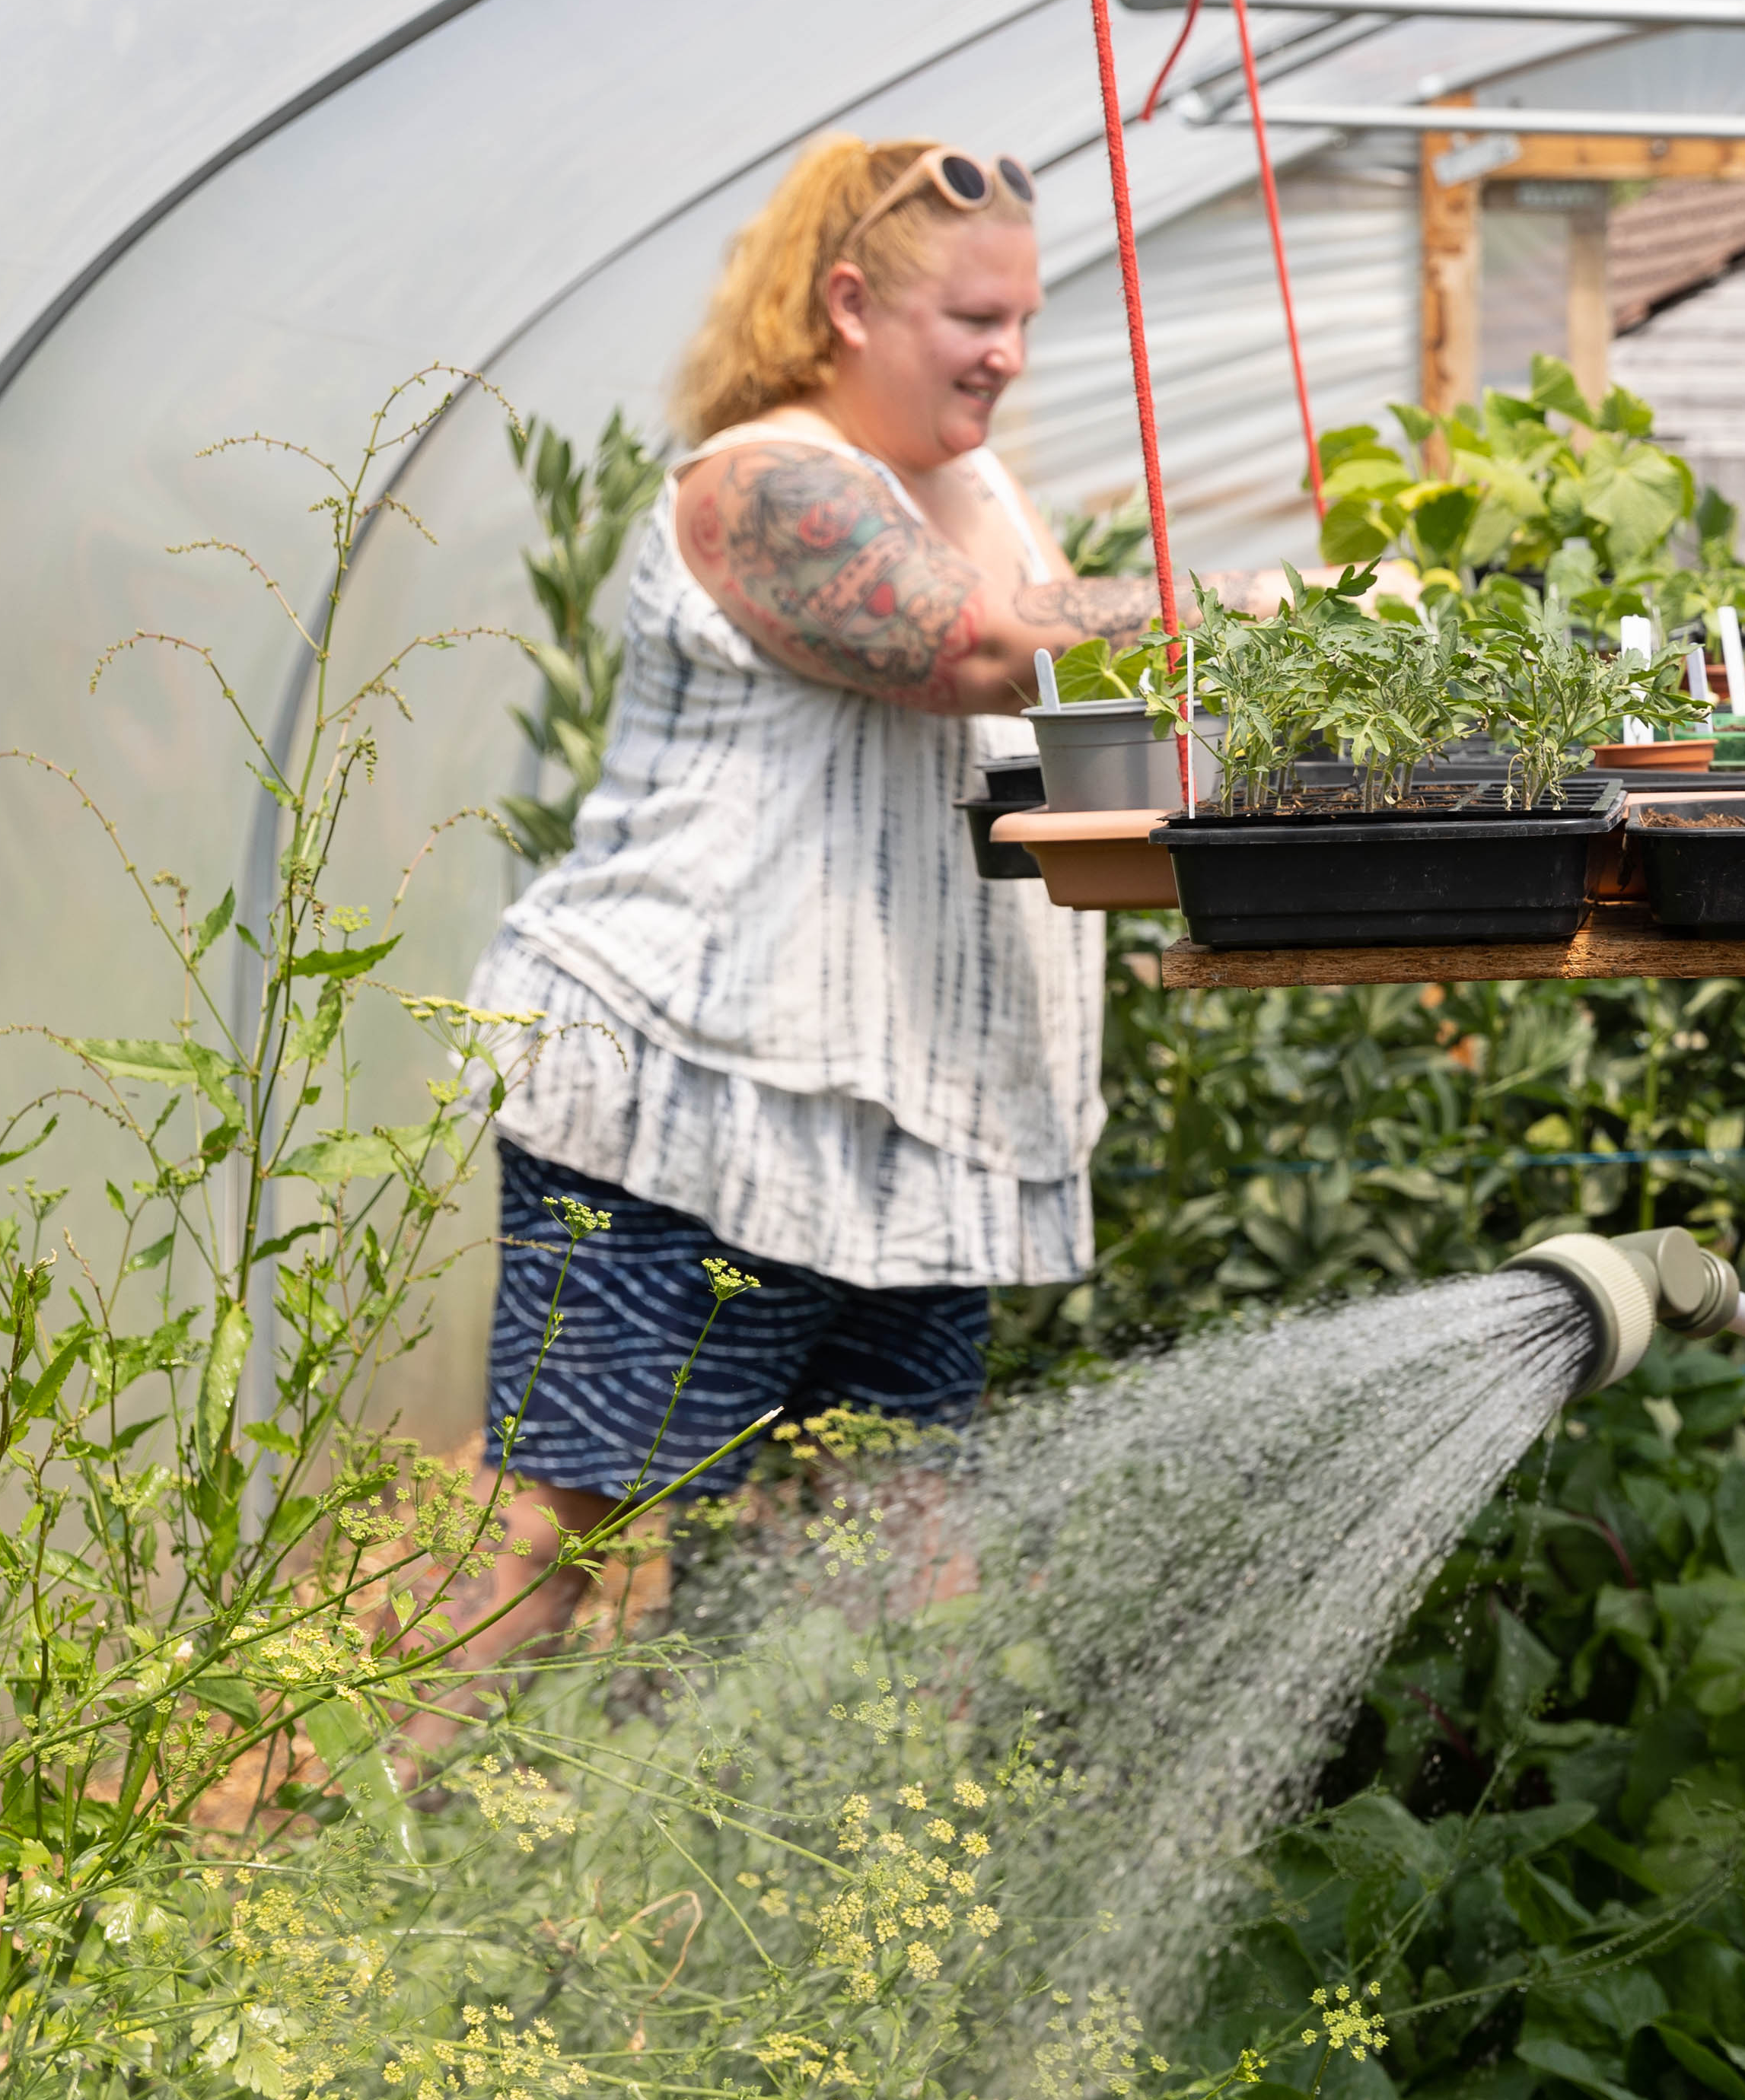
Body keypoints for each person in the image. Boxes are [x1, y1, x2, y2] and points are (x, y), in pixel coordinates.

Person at [452, 135, 1277, 1649]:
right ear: (847, 305)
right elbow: (967, 650)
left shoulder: (974, 491)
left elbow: (1051, 702)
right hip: (693, 1094)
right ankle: (344, 1861)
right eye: (976, 320)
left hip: (915, 1127)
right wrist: (1264, 613)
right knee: (563, 1531)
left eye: (1023, 319)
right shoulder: (762, 485)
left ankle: (806, 1870)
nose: (1010, 356)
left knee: (896, 1577)